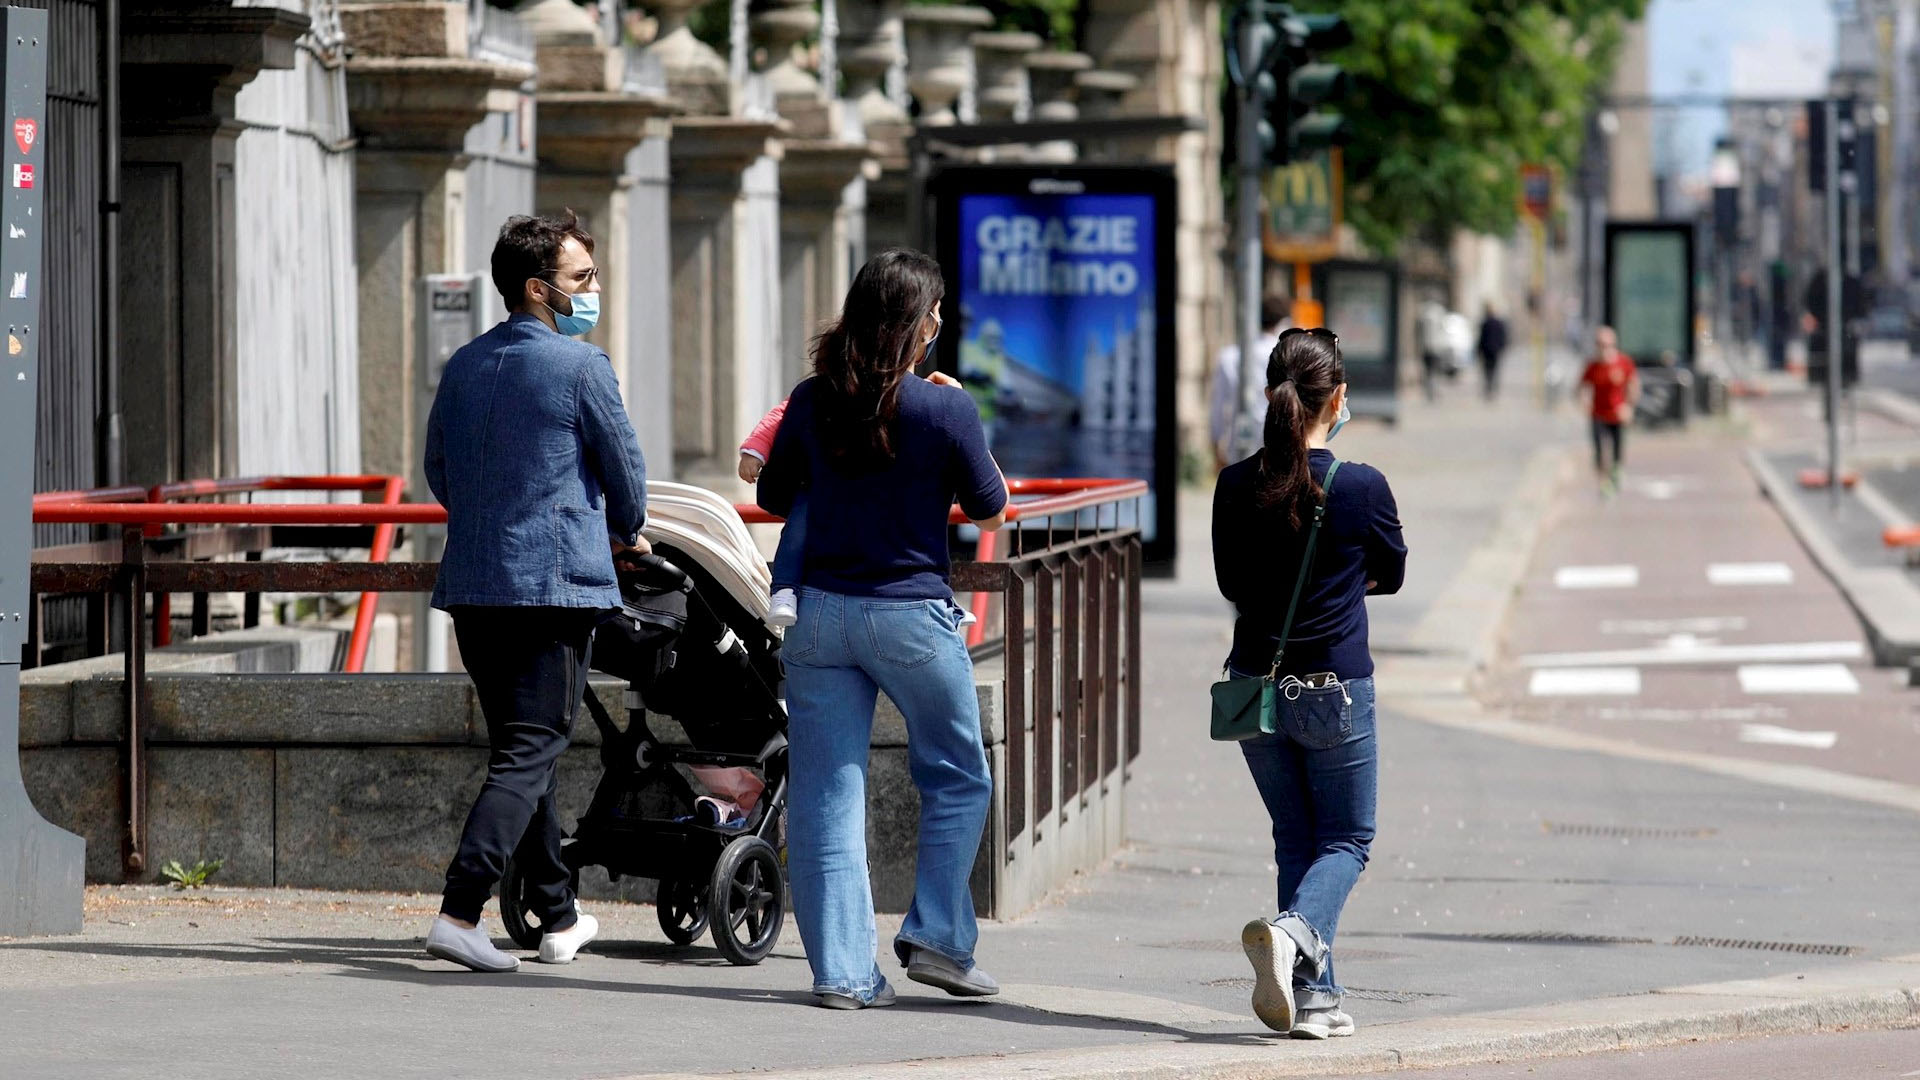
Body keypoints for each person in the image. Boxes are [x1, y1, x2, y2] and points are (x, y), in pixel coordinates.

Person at [757, 249, 1009, 1011]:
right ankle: (936, 935)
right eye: (935, 311)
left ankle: (841, 973)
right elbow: (992, 506)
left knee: (830, 792)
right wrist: (961, 413)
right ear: (917, 321)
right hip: (911, 618)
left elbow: (772, 493)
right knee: (959, 772)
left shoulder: (811, 399)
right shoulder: (944, 407)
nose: (940, 324)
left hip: (819, 616)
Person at [421, 211, 649, 973]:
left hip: (476, 585)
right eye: (582, 278)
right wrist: (627, 526)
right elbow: (628, 481)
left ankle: (557, 915)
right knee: (531, 749)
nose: (593, 290)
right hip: (553, 588)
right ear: (537, 288)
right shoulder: (581, 367)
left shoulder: (463, 365)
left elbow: (439, 473)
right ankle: (460, 911)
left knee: (524, 748)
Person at [1212, 326, 1406, 1039]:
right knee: (1348, 839)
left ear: (1272, 397)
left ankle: (1315, 999)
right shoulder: (1359, 485)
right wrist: (1347, 577)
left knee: (1296, 835)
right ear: (1339, 398)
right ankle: (1295, 935)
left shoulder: (1234, 484)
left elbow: (1233, 582)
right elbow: (1393, 571)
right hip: (1334, 688)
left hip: (1253, 687)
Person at [739, 369, 973, 629]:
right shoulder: (822, 392)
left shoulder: (879, 395)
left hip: (865, 491)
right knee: (798, 531)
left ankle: (945, 600)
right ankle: (783, 590)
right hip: (823, 488)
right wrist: (754, 451)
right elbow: (780, 414)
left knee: (913, 534)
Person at [1209, 297, 1288, 471]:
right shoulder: (1288, 356)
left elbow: (1218, 407)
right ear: (1282, 322)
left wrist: (1215, 448)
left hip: (1237, 447)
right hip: (1280, 449)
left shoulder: (1229, 356)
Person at [1578, 326, 1640, 494]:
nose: (1603, 349)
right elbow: (1582, 387)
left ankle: (1616, 472)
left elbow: (1633, 385)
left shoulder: (1623, 363)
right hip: (1598, 414)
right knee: (1600, 450)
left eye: (1606, 345)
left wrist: (1628, 407)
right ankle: (1603, 483)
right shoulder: (1593, 366)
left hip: (1617, 414)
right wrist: (1585, 403)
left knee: (1617, 450)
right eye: (1599, 345)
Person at [1475, 305, 1509, 401]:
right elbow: (1503, 337)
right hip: (1495, 350)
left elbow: (1481, 338)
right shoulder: (1498, 323)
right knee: (1494, 370)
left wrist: (1479, 350)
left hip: (1487, 350)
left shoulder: (1485, 323)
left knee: (1488, 371)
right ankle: (1492, 388)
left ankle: (1489, 388)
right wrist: (1502, 347)